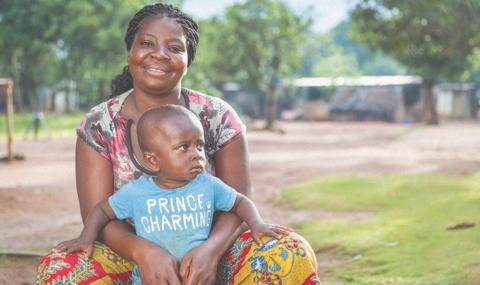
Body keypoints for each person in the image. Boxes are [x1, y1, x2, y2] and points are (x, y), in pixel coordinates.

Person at [36, 3, 320, 285]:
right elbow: (98, 215)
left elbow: (238, 201)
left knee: (288, 252)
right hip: (129, 258)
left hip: (214, 253)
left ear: (188, 59)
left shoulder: (217, 115)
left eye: (174, 47)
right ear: (130, 50)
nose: (159, 54)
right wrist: (144, 252)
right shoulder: (100, 124)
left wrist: (210, 251)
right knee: (61, 271)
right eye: (147, 43)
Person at [54, 105, 291, 285]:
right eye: (183, 147)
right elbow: (102, 210)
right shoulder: (138, 192)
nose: (197, 154)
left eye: (199, 145)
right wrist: (86, 238)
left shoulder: (208, 184)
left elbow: (239, 201)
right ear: (153, 161)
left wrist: (257, 223)